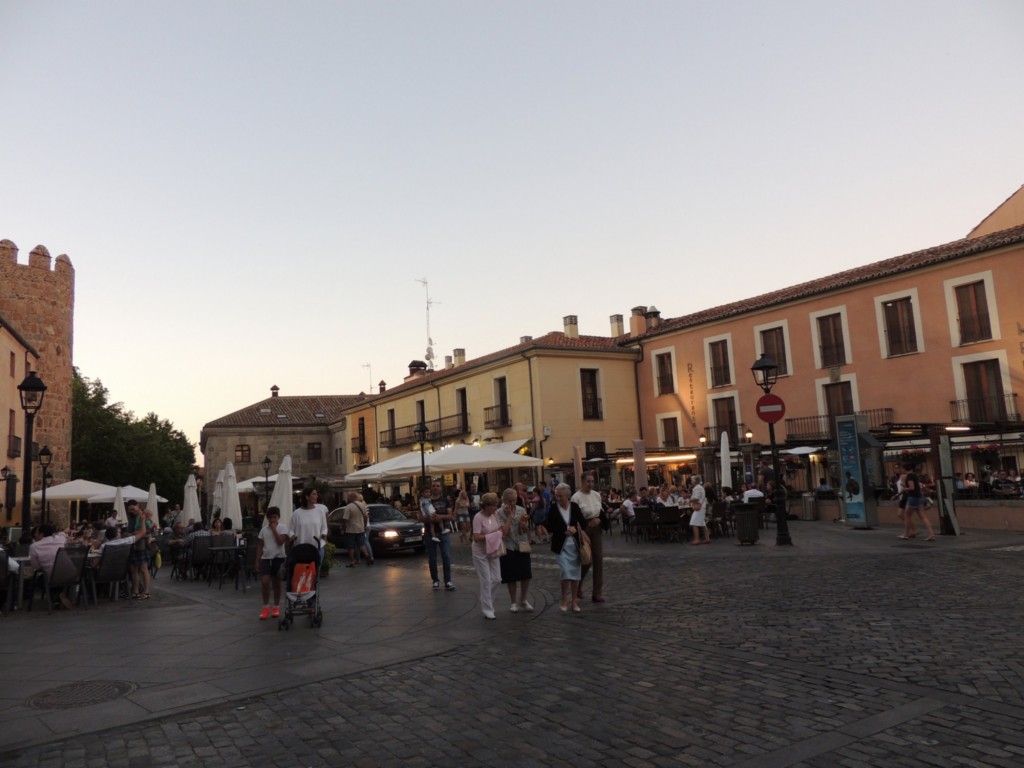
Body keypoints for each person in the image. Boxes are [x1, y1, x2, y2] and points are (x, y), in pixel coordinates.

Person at [546, 483, 588, 613]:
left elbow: (583, 522)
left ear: (568, 496)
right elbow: (548, 525)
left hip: (575, 545)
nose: (558, 498)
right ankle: (564, 598)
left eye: (560, 496)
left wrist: (575, 528)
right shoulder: (553, 508)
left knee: (575, 574)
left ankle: (574, 600)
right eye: (556, 496)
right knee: (565, 572)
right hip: (561, 545)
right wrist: (564, 530)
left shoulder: (574, 507)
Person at [471, 492, 508, 620]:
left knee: (497, 579)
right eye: (492, 506)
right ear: (485, 506)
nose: (494, 508)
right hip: (480, 552)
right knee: (486, 580)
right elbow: (476, 537)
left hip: (493, 550)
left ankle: (486, 599)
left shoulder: (495, 515)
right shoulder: (478, 517)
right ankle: (487, 608)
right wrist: (492, 536)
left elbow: (502, 531)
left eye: (495, 506)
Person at [572, 472, 607, 603]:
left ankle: (597, 592)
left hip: (596, 528)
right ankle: (578, 584)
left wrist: (599, 520)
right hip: (584, 528)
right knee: (587, 559)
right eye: (588, 481)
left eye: (592, 481)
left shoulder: (596, 495)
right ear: (582, 482)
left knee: (598, 558)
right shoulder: (576, 498)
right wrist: (582, 530)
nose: (590, 484)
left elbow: (601, 511)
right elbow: (574, 517)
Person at [497, 488, 532, 612]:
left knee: (525, 573)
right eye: (509, 501)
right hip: (508, 546)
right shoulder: (499, 513)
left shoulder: (521, 510)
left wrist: (525, 527)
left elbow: (526, 529)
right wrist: (510, 517)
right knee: (511, 575)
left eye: (514, 500)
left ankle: (523, 599)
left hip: (521, 545)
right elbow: (504, 533)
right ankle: (513, 602)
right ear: (504, 500)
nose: (512, 503)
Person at [422, 479, 455, 591]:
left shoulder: (446, 501)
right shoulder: (425, 501)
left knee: (446, 556)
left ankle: (448, 580)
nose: (435, 487)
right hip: (429, 532)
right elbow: (420, 517)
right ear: (431, 488)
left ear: (441, 488)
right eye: (433, 486)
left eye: (437, 486)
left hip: (443, 531)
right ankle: (435, 580)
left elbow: (451, 516)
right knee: (432, 558)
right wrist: (428, 518)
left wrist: (440, 517)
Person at [256, 506, 288, 620]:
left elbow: (280, 541)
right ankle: (265, 607)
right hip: (266, 559)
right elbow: (260, 545)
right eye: (270, 518)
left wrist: (274, 529)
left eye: (274, 517)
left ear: (278, 517)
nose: (272, 520)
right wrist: (257, 561)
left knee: (277, 584)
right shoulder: (263, 530)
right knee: (265, 582)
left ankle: (276, 606)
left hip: (279, 558)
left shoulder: (283, 528)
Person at [125, 499, 154, 600]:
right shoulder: (132, 518)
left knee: (143, 568)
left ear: (137, 505)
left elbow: (147, 531)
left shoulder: (144, 515)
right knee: (134, 569)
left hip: (142, 545)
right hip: (134, 545)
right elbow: (130, 531)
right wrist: (134, 533)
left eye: (133, 509)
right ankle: (136, 591)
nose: (132, 511)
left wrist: (135, 533)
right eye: (130, 510)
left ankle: (146, 592)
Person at [290, 487, 329, 561]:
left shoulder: (320, 512)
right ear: (307, 497)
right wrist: (292, 536)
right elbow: (290, 530)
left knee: (316, 571)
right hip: (301, 548)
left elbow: (324, 528)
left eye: (316, 494)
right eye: (314, 494)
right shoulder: (296, 513)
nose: (316, 496)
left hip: (317, 547)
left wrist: (324, 534)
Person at [899, 463, 934, 541]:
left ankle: (906, 534)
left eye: (902, 468)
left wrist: (905, 489)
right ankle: (931, 533)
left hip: (913, 497)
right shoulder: (914, 475)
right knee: (923, 516)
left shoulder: (910, 476)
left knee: (906, 516)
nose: (901, 470)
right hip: (920, 497)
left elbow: (912, 488)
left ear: (904, 469)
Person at [340, 492, 373, 567]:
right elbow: (366, 517)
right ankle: (367, 555)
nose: (347, 499)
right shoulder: (362, 505)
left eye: (348, 497)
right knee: (361, 544)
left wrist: (343, 528)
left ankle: (352, 561)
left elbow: (345, 519)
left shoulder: (348, 507)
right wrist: (364, 526)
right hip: (360, 529)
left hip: (350, 530)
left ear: (351, 498)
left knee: (350, 546)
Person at [688, 476, 711, 545]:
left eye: (692, 480)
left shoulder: (697, 488)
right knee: (702, 523)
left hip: (699, 507)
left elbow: (696, 498)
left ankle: (697, 539)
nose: (691, 481)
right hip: (702, 506)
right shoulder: (699, 487)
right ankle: (707, 538)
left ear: (695, 481)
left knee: (694, 522)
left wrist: (690, 499)